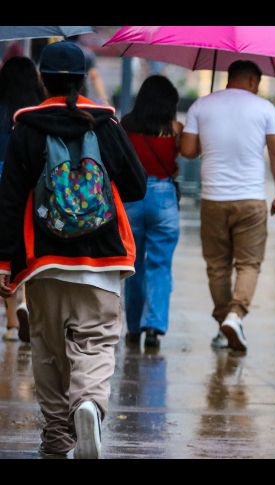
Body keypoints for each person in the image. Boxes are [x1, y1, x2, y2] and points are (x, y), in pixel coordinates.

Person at [0, 41, 146, 459]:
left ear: (43, 80)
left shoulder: (26, 127)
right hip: (104, 260)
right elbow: (135, 184)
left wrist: (5, 263)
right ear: (83, 79)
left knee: (47, 350)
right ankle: (88, 402)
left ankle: (58, 438)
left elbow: (9, 201)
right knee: (96, 342)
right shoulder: (104, 124)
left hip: (43, 264)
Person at [180, 60, 275, 353]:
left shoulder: (201, 107)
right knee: (248, 264)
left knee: (217, 266)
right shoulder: (266, 109)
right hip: (250, 200)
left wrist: (205, 140)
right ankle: (236, 315)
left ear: (229, 78)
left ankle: (222, 325)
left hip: (213, 199)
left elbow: (187, 152)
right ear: (253, 81)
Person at [121, 75, 183, 349]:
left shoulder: (126, 125)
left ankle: (133, 327)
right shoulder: (174, 128)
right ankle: (154, 327)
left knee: (133, 266)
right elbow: (179, 160)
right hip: (164, 197)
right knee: (161, 265)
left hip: (131, 197)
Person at [0, 56, 44, 342]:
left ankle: (12, 319)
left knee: (4, 245)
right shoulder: (36, 110)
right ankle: (26, 303)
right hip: (28, 179)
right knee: (28, 241)